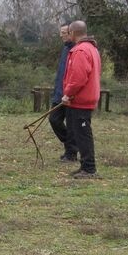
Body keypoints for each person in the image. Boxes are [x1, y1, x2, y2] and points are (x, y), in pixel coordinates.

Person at [61, 20, 101, 179]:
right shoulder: (92, 48)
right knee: (81, 133)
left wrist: (67, 94)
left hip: (81, 100)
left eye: (68, 32)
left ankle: (89, 168)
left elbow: (78, 78)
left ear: (72, 33)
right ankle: (86, 166)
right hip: (87, 98)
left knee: (83, 134)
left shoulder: (80, 51)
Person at [49, 23, 77, 162]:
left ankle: (71, 153)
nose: (61, 35)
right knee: (53, 119)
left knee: (72, 124)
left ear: (72, 33)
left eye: (64, 32)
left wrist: (70, 92)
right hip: (59, 93)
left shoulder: (77, 50)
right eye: (60, 32)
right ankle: (71, 145)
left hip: (71, 95)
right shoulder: (65, 49)